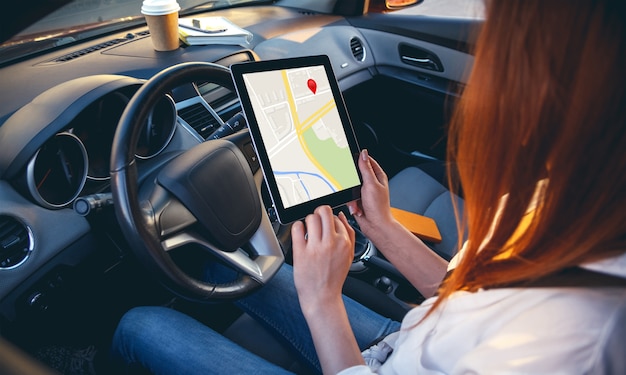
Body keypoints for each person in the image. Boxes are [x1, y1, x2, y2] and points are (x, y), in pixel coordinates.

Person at [111, 0, 626, 373]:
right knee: (221, 264)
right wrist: (381, 225)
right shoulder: (560, 202)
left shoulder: (573, 344)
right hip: (408, 340)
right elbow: (461, 290)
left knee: (141, 324)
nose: (489, 76)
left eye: (503, 49)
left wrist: (323, 304)